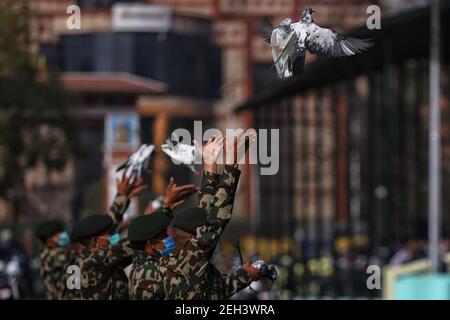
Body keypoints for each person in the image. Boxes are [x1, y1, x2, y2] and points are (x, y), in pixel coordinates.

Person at [160, 134, 277, 300]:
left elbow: (218, 290)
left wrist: (210, 166)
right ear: (194, 237)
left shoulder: (169, 264)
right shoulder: (194, 257)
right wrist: (231, 164)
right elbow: (216, 219)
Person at [71, 174, 146, 300]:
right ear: (94, 241)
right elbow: (132, 242)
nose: (113, 236)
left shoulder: (78, 261)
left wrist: (122, 197)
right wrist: (161, 210)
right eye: (109, 234)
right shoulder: (96, 261)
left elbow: (110, 222)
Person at [128, 178, 197, 300]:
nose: (169, 238)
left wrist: (166, 207)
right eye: (164, 236)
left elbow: (145, 231)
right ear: (151, 244)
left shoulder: (142, 263)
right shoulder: (151, 269)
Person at [35, 219, 71, 300]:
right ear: (49, 239)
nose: (62, 235)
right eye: (59, 234)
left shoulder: (52, 252)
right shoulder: (51, 255)